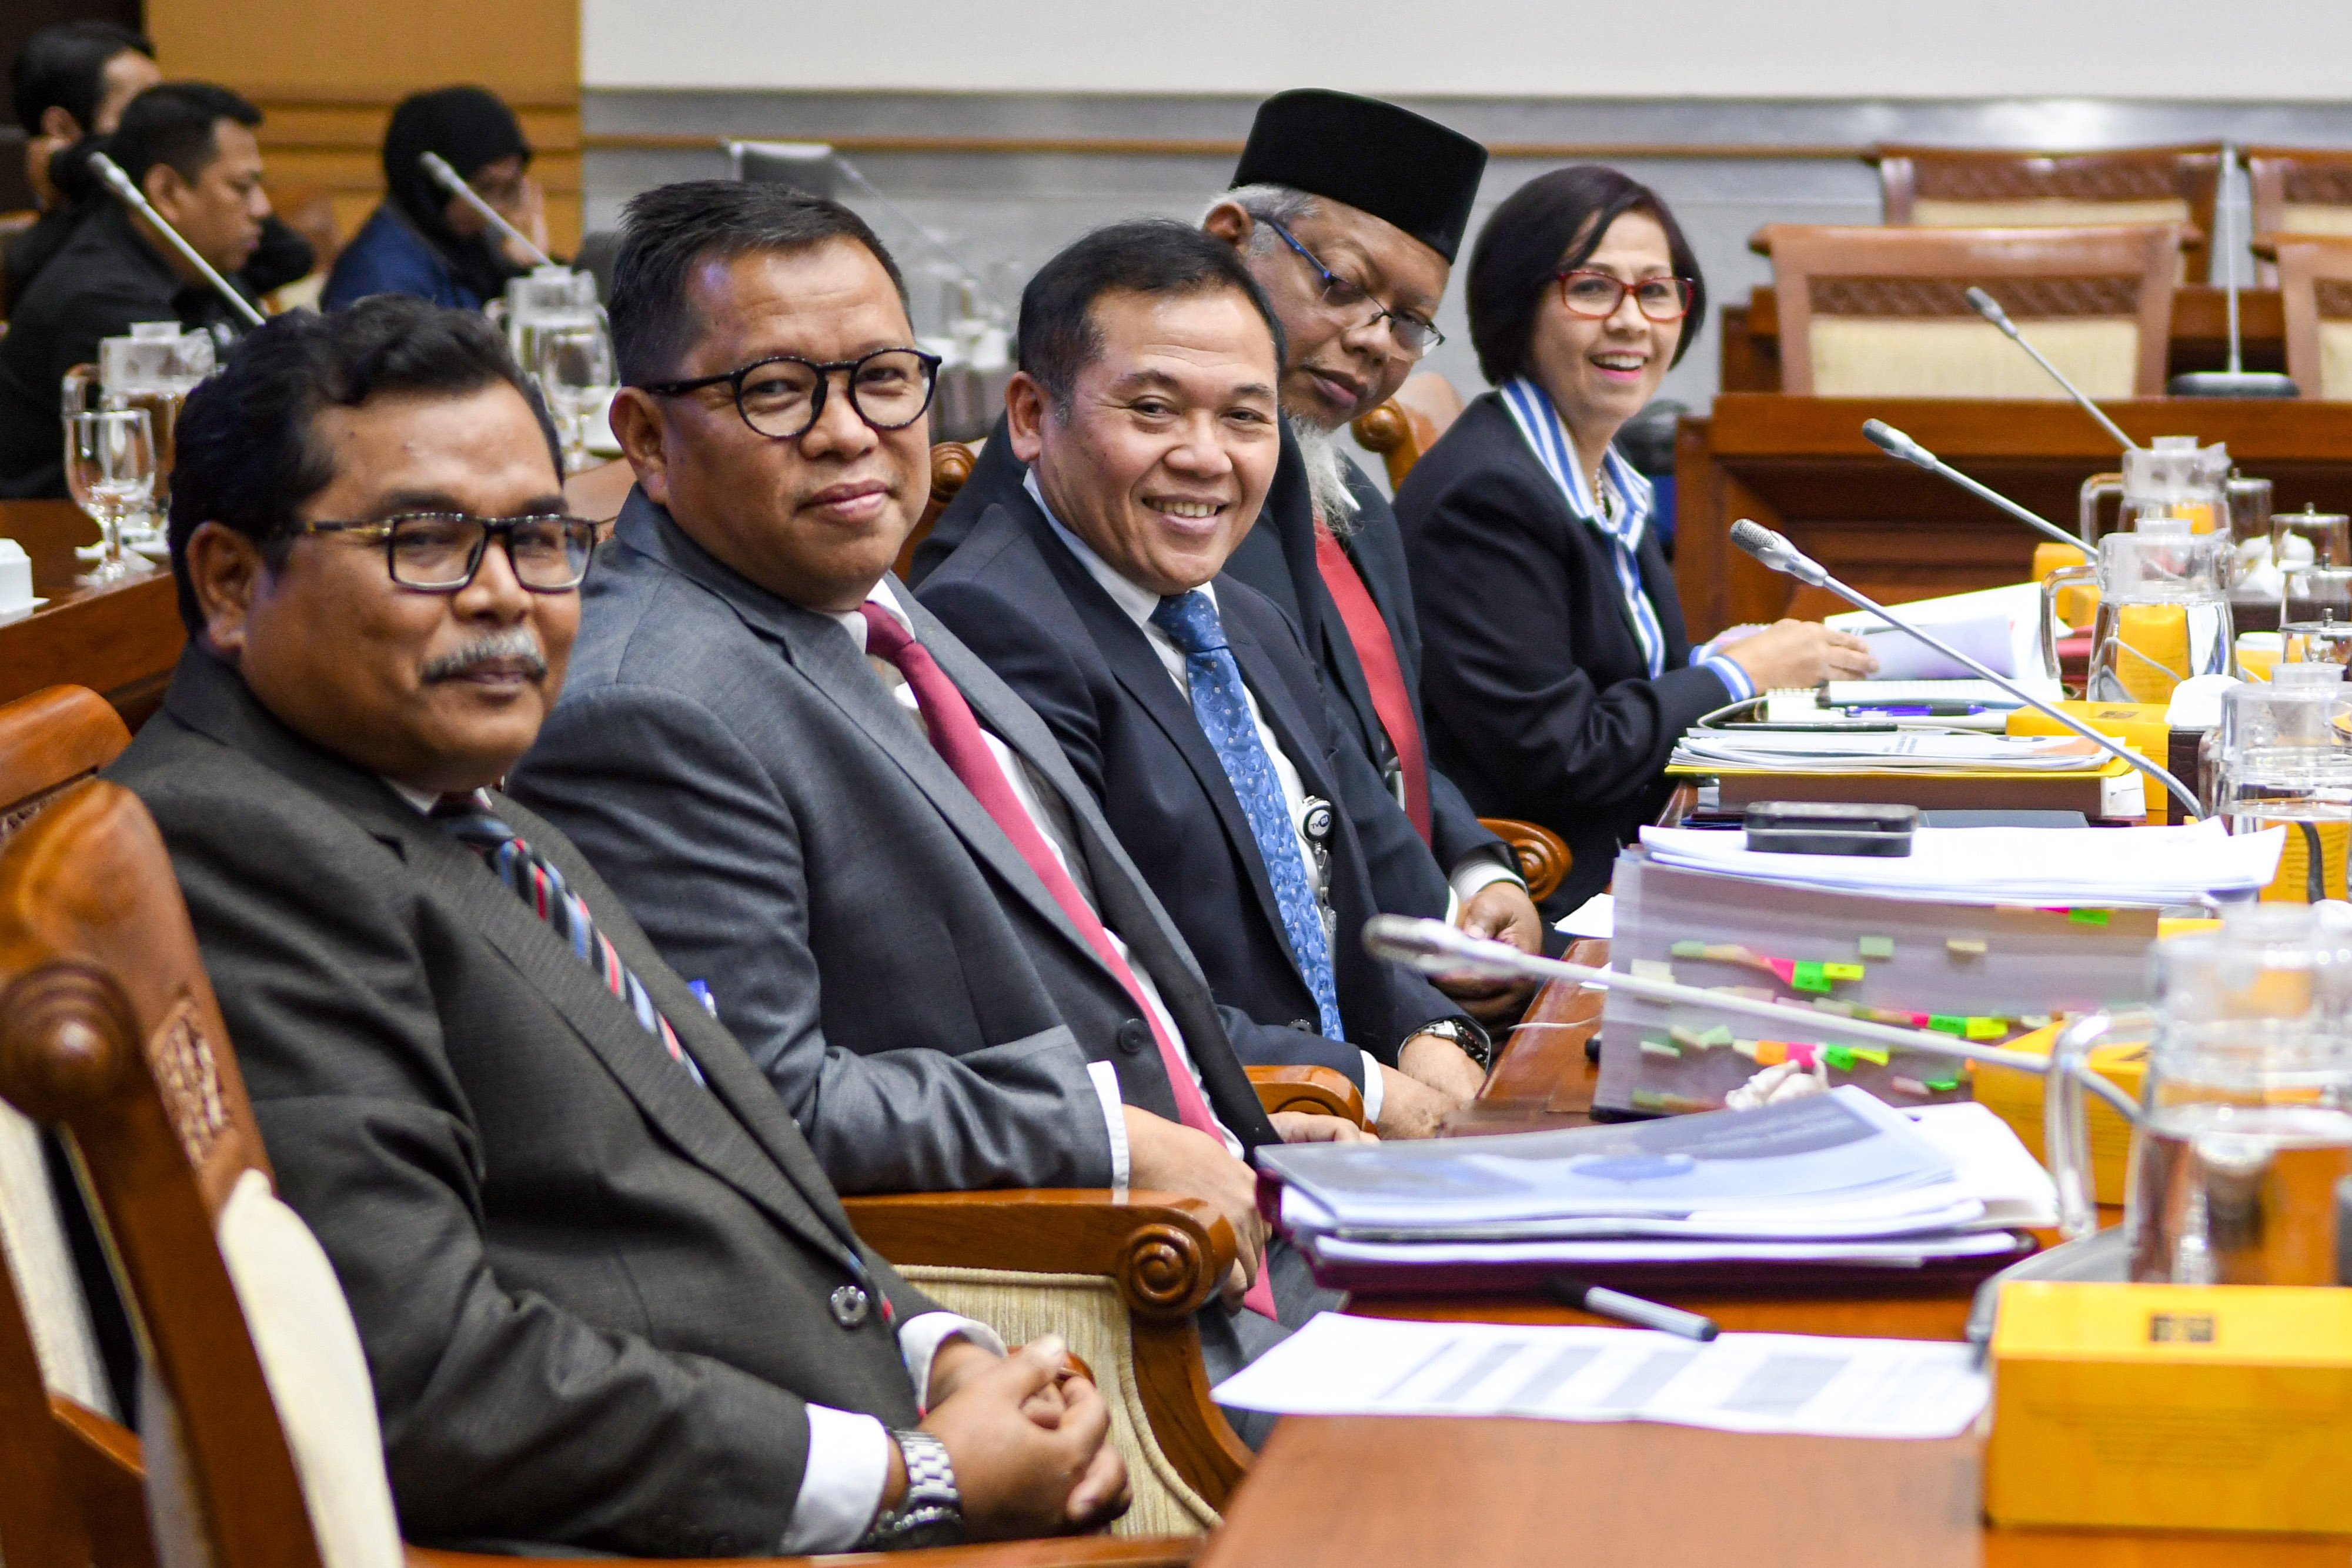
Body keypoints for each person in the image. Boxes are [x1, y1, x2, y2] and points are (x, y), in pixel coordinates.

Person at [106, 295, 1128, 1556]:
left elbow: (720, 1166)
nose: (502, 599)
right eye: (424, 541)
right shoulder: (232, 849)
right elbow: (419, 1375)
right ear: (227, 579)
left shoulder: (457, 794)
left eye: (538, 537)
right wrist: (904, 1470)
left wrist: (942, 1350)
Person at [503, 182, 1362, 1424]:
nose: (849, 432)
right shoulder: (650, 704)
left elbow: (1092, 951)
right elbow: (760, 1100)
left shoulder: (867, 601)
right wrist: (1113, 1137)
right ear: (644, 436)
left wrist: (1242, 1125)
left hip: (1245, 1217)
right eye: (777, 391)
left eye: (880, 378)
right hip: (1078, 1315)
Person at [914, 88, 1544, 1022]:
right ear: (1229, 238)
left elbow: (1369, 745)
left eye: (1408, 321)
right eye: (1341, 286)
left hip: (1389, 979)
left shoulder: (1344, 495)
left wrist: (1472, 865)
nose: (1373, 341)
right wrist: (1423, 978)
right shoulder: (1144, 519)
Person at [920, 220, 1492, 1142]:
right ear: (1030, 416)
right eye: (1153, 410)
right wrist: (1366, 1087)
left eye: (1244, 416)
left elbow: (1329, 897)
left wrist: (1429, 1029)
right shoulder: (994, 629)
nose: (1206, 456)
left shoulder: (1241, 613)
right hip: (1219, 1161)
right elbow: (1087, 994)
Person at [1395, 166, 1877, 914]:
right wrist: (1737, 677)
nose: (1631, 322)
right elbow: (1563, 756)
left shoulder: (1601, 469)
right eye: (1591, 289)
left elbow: (1615, 679)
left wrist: (1732, 661)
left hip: (1642, 842)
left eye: (1656, 291)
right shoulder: (1489, 495)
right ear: (1518, 306)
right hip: (1565, 890)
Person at [0, 82, 275, 497]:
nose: (262, 208)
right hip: (61, 538)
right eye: (241, 187)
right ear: (165, 192)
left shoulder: (204, 262)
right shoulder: (98, 296)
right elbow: (202, 451)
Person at [4, 35, 310, 314]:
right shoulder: (84, 266)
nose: (157, 119)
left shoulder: (200, 238)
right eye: (135, 109)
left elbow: (290, 256)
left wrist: (67, 163)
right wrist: (74, 162)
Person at [323, 85, 546, 312]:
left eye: (509, 189)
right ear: (434, 190)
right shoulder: (380, 278)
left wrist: (526, 271)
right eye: (486, 188)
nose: (497, 208)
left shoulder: (480, 244)